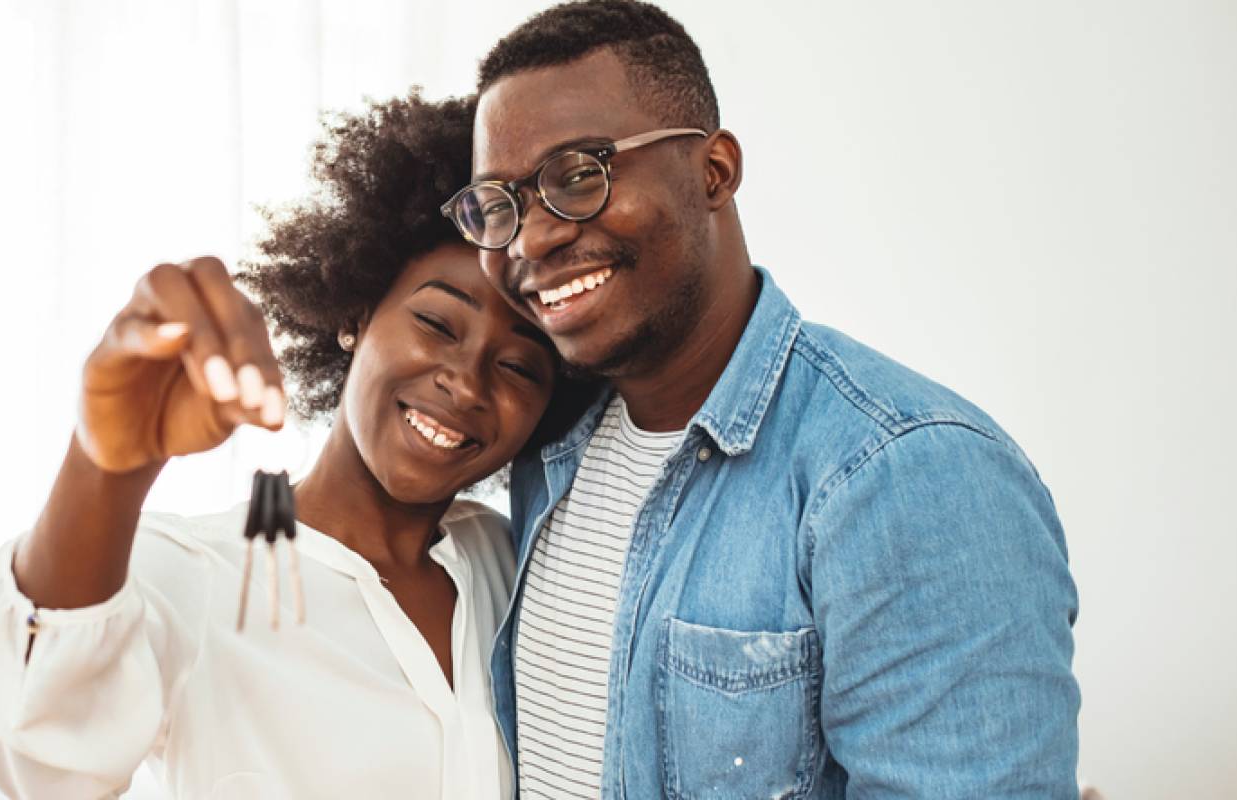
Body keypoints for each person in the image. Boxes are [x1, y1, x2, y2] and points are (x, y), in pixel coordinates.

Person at [439, 1, 1082, 797]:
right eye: (500, 205)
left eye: (578, 176)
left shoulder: (908, 475)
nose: (533, 240)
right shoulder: (549, 448)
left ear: (714, 171)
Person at [0, 93, 593, 799]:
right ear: (356, 315)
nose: (467, 383)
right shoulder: (195, 572)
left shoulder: (511, 563)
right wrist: (108, 466)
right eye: (438, 324)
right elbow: (38, 748)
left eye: (519, 366)